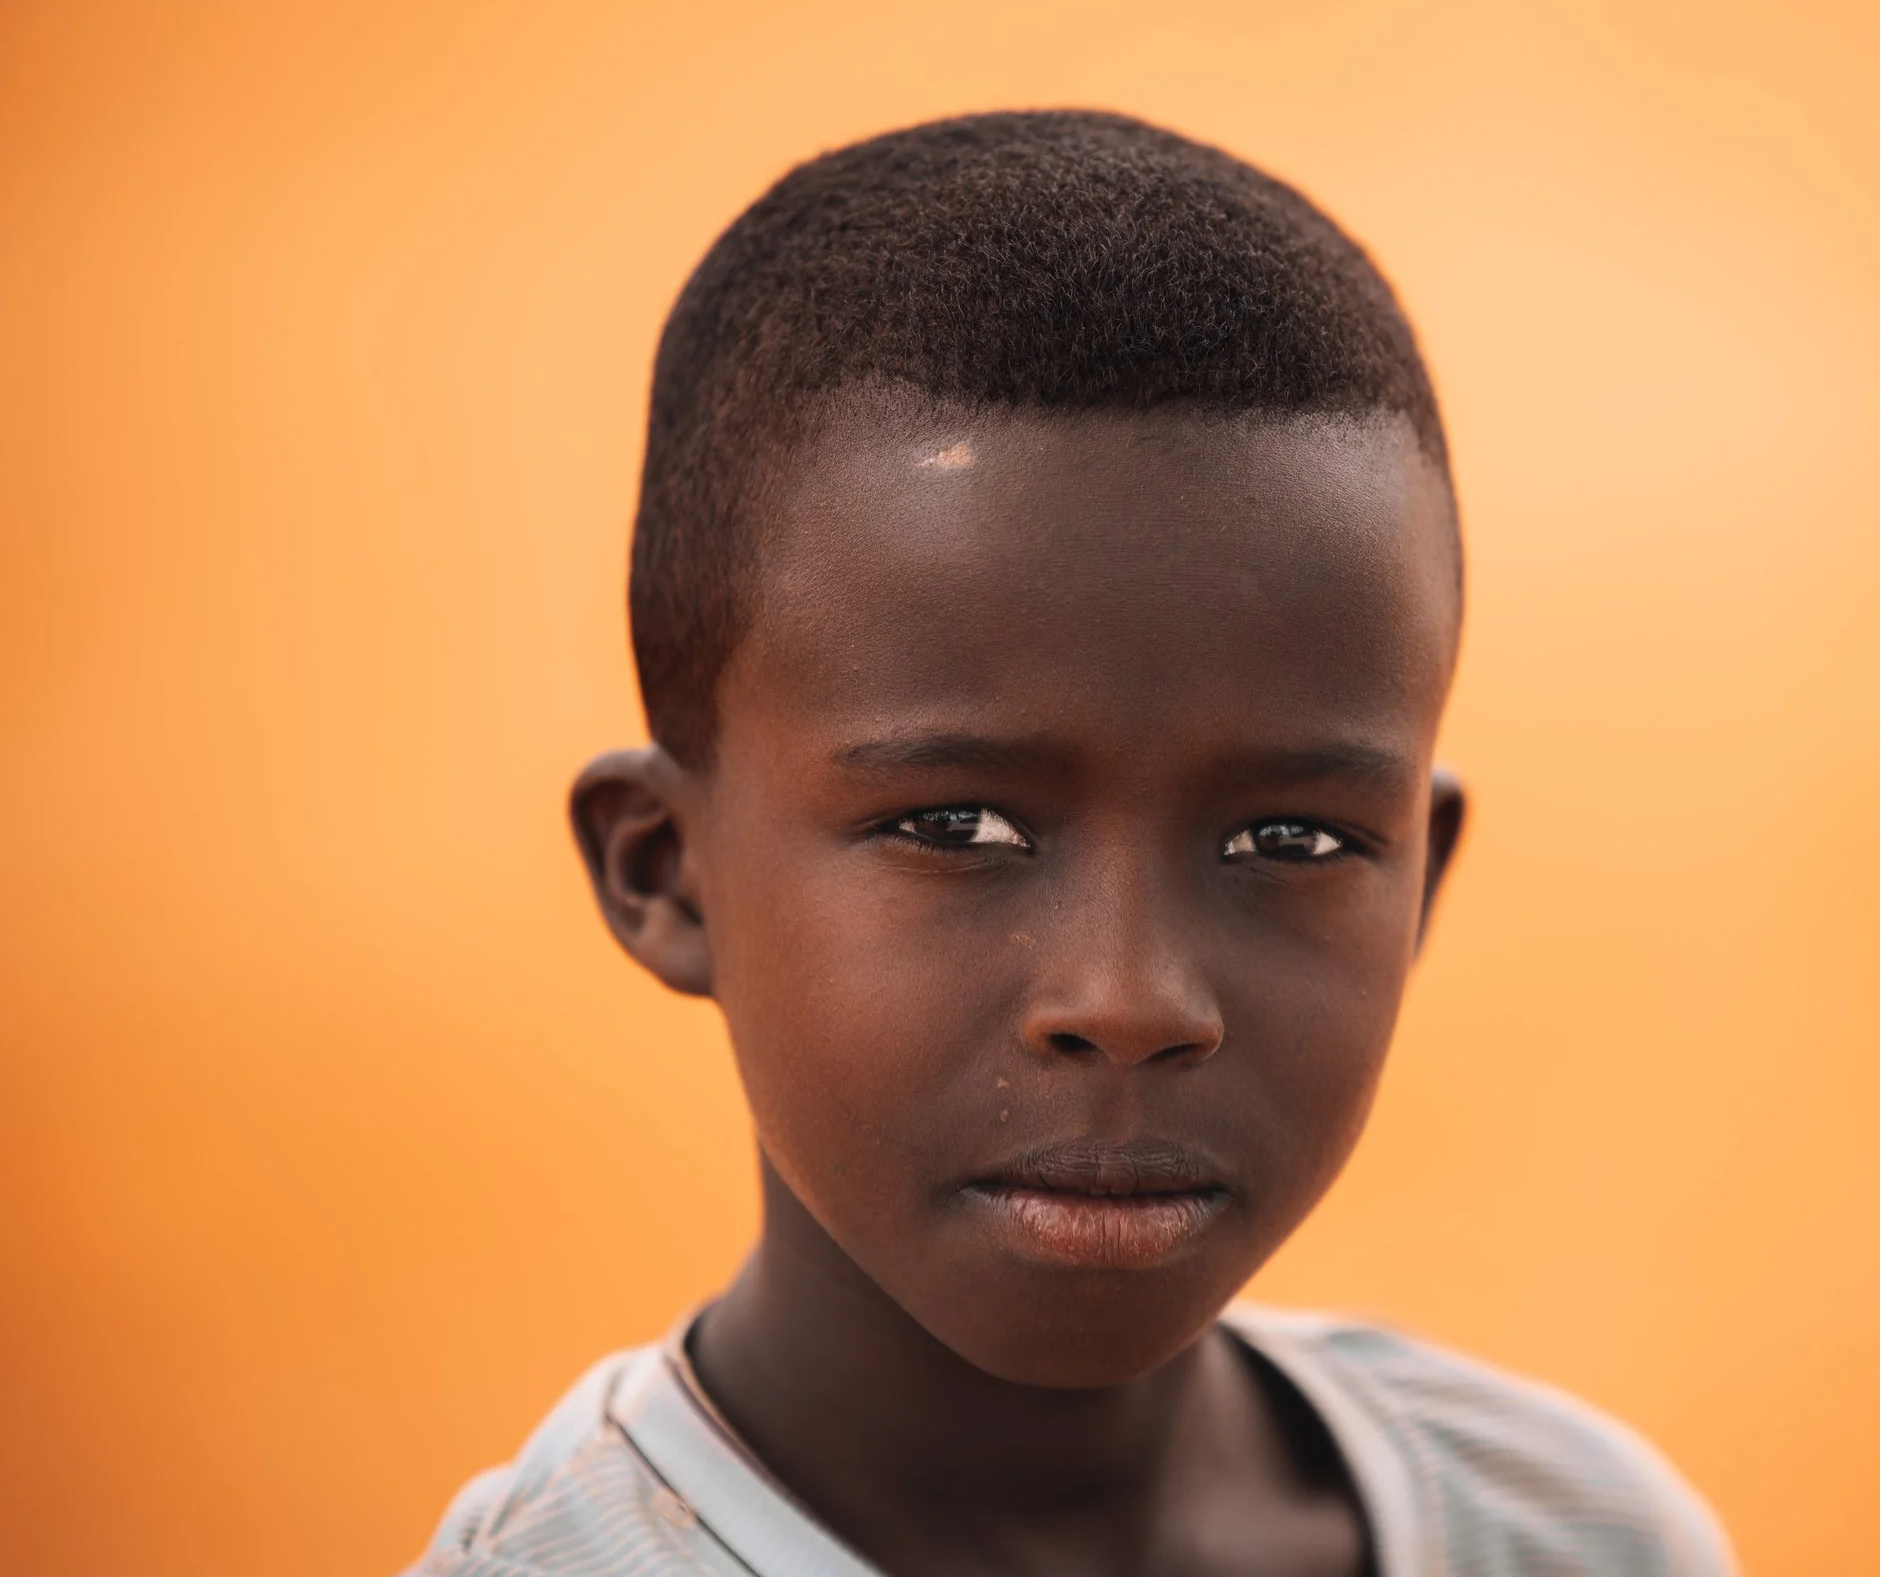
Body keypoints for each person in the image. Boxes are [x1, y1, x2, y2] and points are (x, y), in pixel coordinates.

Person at [406, 110, 1734, 1577]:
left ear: (1423, 880)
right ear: (663, 870)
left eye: (1291, 836)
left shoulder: (1580, 1536)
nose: (1130, 997)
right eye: (956, 826)